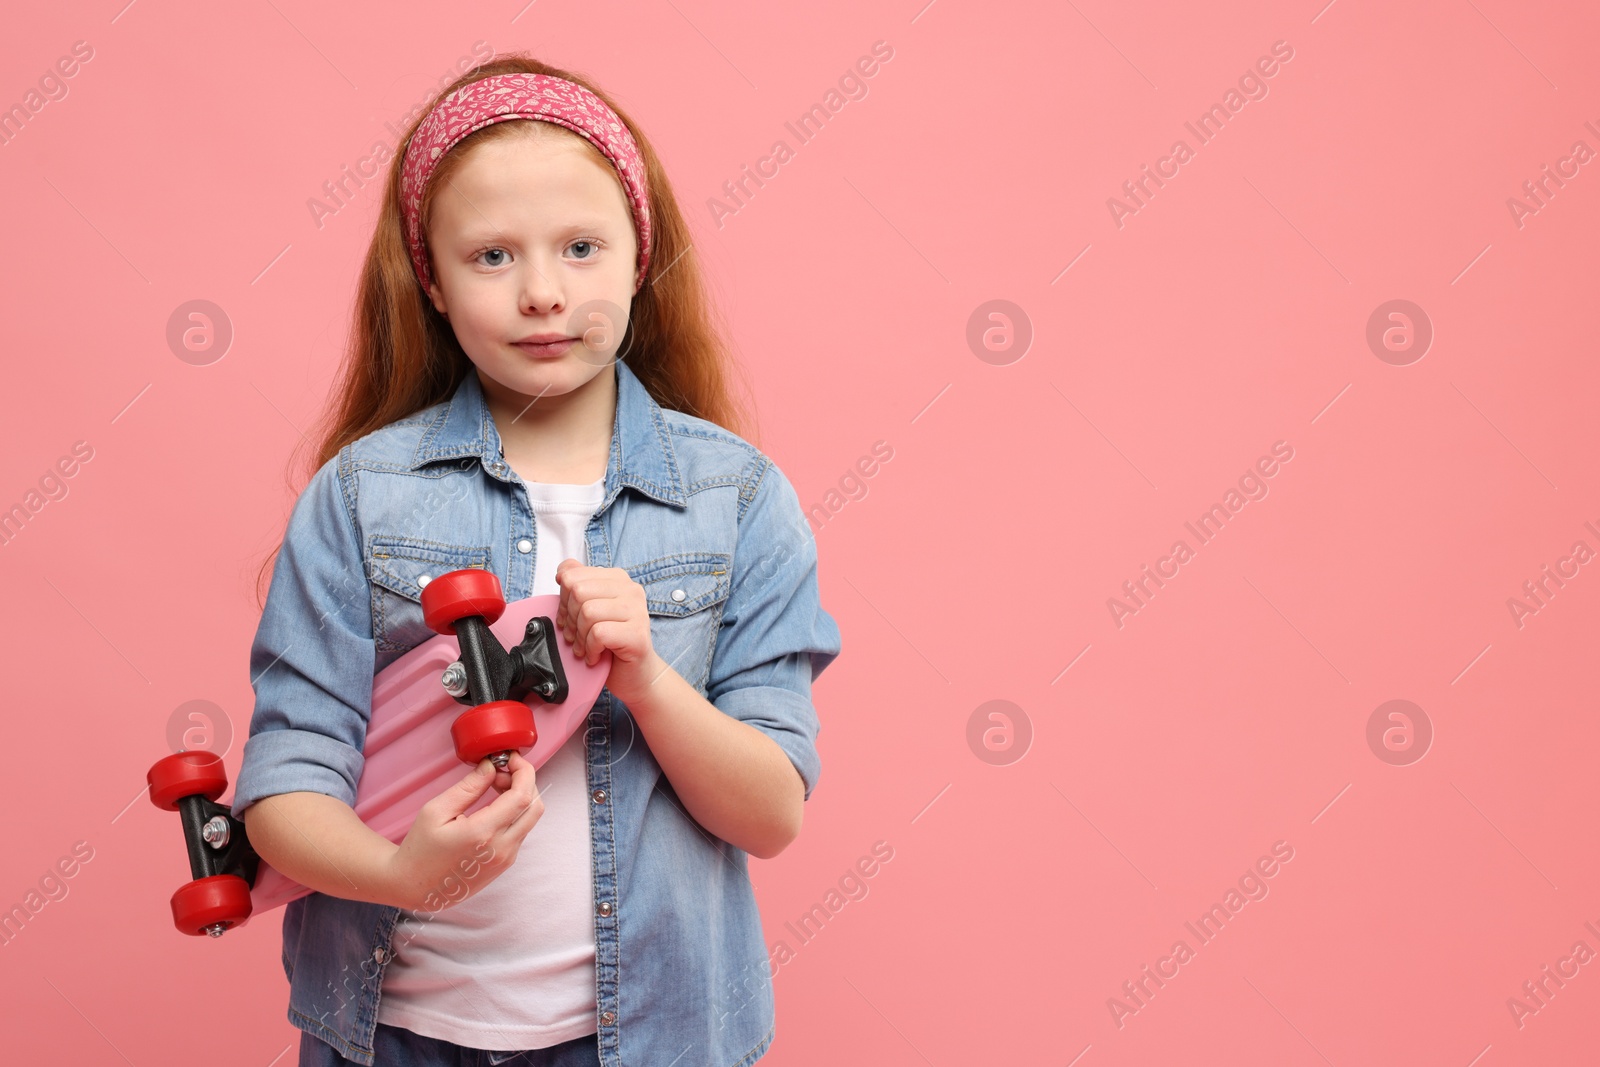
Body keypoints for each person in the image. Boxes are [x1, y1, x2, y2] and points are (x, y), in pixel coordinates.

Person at [228, 53, 842, 1067]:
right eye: (492, 257)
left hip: (651, 1038)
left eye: (581, 247)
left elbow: (771, 812)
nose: (545, 293)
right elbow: (283, 791)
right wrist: (396, 870)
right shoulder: (358, 495)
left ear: (639, 257)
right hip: (394, 1034)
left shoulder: (735, 497)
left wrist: (646, 680)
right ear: (429, 278)